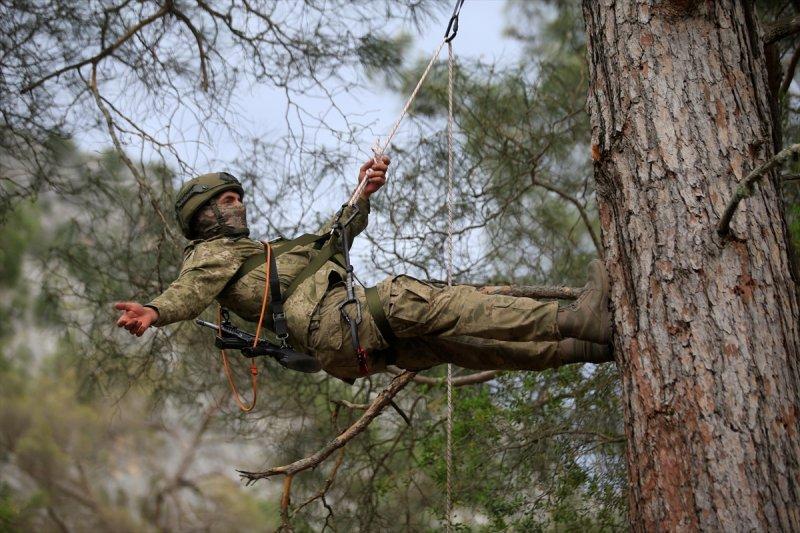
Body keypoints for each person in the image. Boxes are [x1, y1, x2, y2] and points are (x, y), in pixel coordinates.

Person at [115, 157, 613, 382]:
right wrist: (155, 312)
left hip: (347, 352)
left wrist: (363, 194)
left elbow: (335, 239)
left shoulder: (258, 259)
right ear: (205, 216)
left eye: (239, 197)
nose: (239, 206)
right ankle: (575, 320)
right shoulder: (210, 257)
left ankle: (587, 348)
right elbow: (189, 291)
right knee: (442, 304)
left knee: (467, 348)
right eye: (228, 200)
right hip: (344, 322)